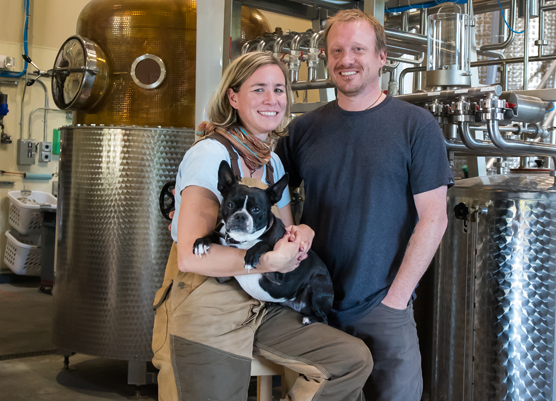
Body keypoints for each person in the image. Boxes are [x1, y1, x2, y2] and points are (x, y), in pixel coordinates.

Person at [152, 51, 373, 401]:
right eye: (259, 89)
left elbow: (284, 235)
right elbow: (191, 257)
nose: (272, 100)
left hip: (266, 305)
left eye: (279, 89)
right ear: (233, 97)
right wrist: (264, 262)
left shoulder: (272, 163)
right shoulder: (210, 156)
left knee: (351, 359)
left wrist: (302, 235)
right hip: (208, 306)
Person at [276, 9, 452, 401]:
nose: (346, 59)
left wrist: (397, 299)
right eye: (336, 50)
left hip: (382, 305)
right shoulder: (304, 129)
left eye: (358, 49)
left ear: (381, 57)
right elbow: (273, 190)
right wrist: (292, 243)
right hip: (314, 305)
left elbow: (434, 219)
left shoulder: (415, 125)